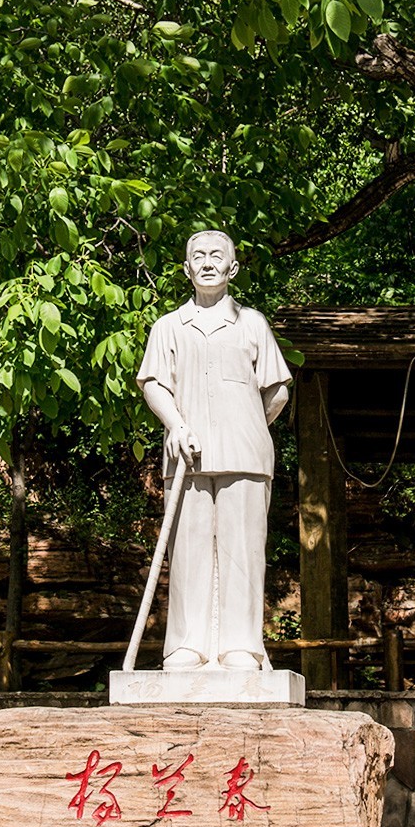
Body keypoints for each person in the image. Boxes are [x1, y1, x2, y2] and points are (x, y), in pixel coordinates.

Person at [136, 231, 291, 671]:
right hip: (186, 456)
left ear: (232, 268)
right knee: (188, 548)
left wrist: (246, 425)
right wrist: (177, 425)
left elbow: (277, 390)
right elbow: (155, 383)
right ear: (186, 269)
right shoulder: (168, 326)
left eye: (216, 256)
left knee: (243, 549)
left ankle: (241, 644)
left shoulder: (252, 324)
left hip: (246, 455)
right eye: (198, 257)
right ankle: (188, 644)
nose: (207, 263)